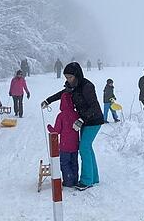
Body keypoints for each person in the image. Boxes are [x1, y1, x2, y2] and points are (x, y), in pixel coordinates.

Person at [42, 62, 104, 190]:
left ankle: (87, 181)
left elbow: (95, 107)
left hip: (94, 120)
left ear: (77, 75)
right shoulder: (72, 86)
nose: (68, 80)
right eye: (66, 78)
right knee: (87, 147)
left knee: (84, 147)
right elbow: (62, 94)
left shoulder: (87, 86)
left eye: (70, 77)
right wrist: (48, 100)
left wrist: (81, 119)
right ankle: (94, 177)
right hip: (84, 121)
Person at [46, 92, 80, 187]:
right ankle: (75, 180)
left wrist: (49, 127)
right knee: (74, 163)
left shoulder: (61, 115)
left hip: (65, 146)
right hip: (75, 145)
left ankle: (68, 181)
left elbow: (56, 131)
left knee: (65, 164)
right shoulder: (76, 114)